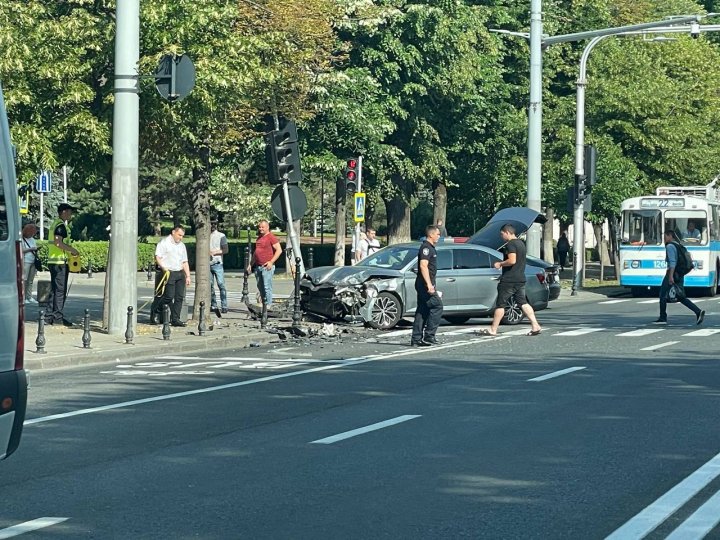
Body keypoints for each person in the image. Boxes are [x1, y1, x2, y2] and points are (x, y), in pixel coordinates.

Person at [476, 223, 542, 337]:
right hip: (520, 278)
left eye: (502, 234)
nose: (501, 236)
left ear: (507, 232)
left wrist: (500, 264)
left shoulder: (510, 244)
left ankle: (493, 329)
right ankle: (535, 325)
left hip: (509, 279)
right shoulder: (521, 243)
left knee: (501, 304)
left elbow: (512, 260)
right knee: (523, 302)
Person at [654, 229, 704, 325]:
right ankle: (698, 311)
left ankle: (663, 317)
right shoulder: (678, 245)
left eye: (665, 236)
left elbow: (672, 262)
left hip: (672, 273)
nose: (664, 239)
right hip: (680, 273)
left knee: (662, 295)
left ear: (670, 236)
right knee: (680, 296)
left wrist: (671, 276)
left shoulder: (670, 246)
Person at [45, 203, 79, 326]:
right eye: (70, 212)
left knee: (54, 290)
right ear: (64, 212)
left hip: (53, 262)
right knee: (60, 291)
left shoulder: (55, 224)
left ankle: (49, 316)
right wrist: (72, 250)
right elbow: (58, 243)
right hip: (60, 263)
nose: (71, 215)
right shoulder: (60, 226)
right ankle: (57, 317)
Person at [150, 226, 191, 327]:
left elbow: (185, 261)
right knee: (169, 296)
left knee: (179, 297)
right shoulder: (164, 243)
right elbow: (158, 257)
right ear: (173, 232)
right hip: (169, 272)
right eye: (179, 235)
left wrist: (188, 276)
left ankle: (175, 319)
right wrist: (163, 268)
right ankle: (157, 309)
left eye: (182, 236)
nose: (180, 238)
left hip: (180, 272)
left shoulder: (181, 245)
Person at [410, 225, 444, 346]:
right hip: (424, 284)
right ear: (431, 235)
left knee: (422, 310)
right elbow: (423, 266)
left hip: (424, 283)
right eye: (438, 234)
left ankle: (416, 338)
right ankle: (429, 335)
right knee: (437, 306)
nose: (439, 236)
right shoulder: (426, 248)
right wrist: (429, 285)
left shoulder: (430, 247)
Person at [246, 219, 282, 307]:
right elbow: (256, 253)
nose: (261, 229)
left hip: (266, 267)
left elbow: (279, 250)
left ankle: (268, 306)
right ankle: (263, 305)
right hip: (258, 266)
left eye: (263, 227)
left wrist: (271, 262)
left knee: (267, 287)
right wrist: (251, 264)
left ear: (267, 227)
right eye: (259, 227)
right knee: (260, 287)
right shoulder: (259, 238)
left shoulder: (271, 237)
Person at [209, 220, 229, 317]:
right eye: (210, 224)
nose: (212, 226)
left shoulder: (221, 236)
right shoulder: (205, 236)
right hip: (207, 264)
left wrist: (214, 252)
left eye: (214, 224)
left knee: (221, 284)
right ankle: (213, 305)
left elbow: (225, 249)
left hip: (217, 263)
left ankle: (224, 305)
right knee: (210, 286)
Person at [21, 222, 39, 303]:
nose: (33, 234)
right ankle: (24, 297)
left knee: (30, 280)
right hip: (26, 261)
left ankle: (29, 296)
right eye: (32, 232)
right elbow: (22, 250)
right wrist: (32, 249)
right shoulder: (22, 239)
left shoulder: (32, 240)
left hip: (32, 261)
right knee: (24, 279)